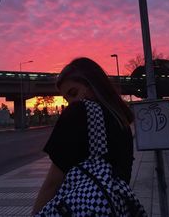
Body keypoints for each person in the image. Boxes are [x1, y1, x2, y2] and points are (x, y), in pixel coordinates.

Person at [32, 57, 135, 215]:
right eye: (67, 100)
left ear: (92, 85)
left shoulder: (78, 113)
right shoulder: (122, 121)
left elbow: (52, 184)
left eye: (73, 93)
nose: (72, 103)